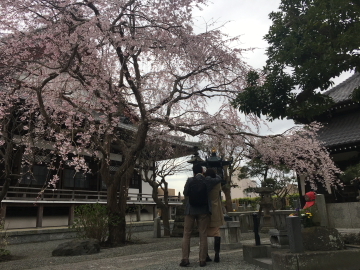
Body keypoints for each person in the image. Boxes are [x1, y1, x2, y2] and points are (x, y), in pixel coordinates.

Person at [180, 164, 221, 267]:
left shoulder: (190, 180)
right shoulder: (207, 180)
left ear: (193, 171)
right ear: (202, 170)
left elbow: (185, 193)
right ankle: (202, 260)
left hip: (190, 210)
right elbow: (219, 178)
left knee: (187, 234)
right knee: (203, 234)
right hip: (204, 210)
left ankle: (185, 259)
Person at [204, 168, 225, 263]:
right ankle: (217, 254)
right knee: (216, 232)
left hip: (205, 209)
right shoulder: (218, 183)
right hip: (216, 208)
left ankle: (205, 254)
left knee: (203, 232)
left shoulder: (204, 183)